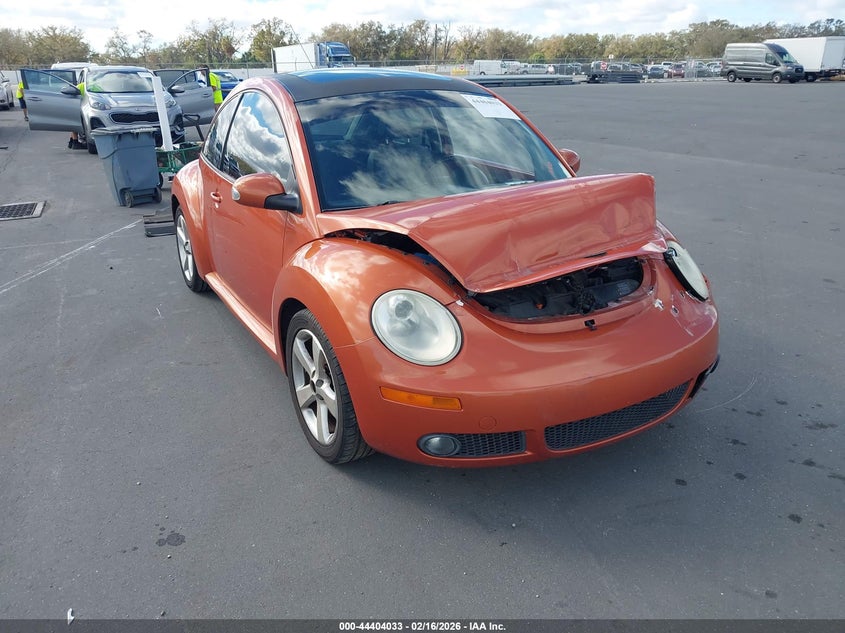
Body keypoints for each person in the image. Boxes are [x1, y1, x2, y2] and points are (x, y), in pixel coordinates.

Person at [68, 82, 87, 150]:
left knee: (75, 123)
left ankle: (73, 141)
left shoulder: (79, 86)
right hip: (85, 108)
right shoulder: (94, 86)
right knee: (76, 122)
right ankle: (74, 143)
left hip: (77, 107)